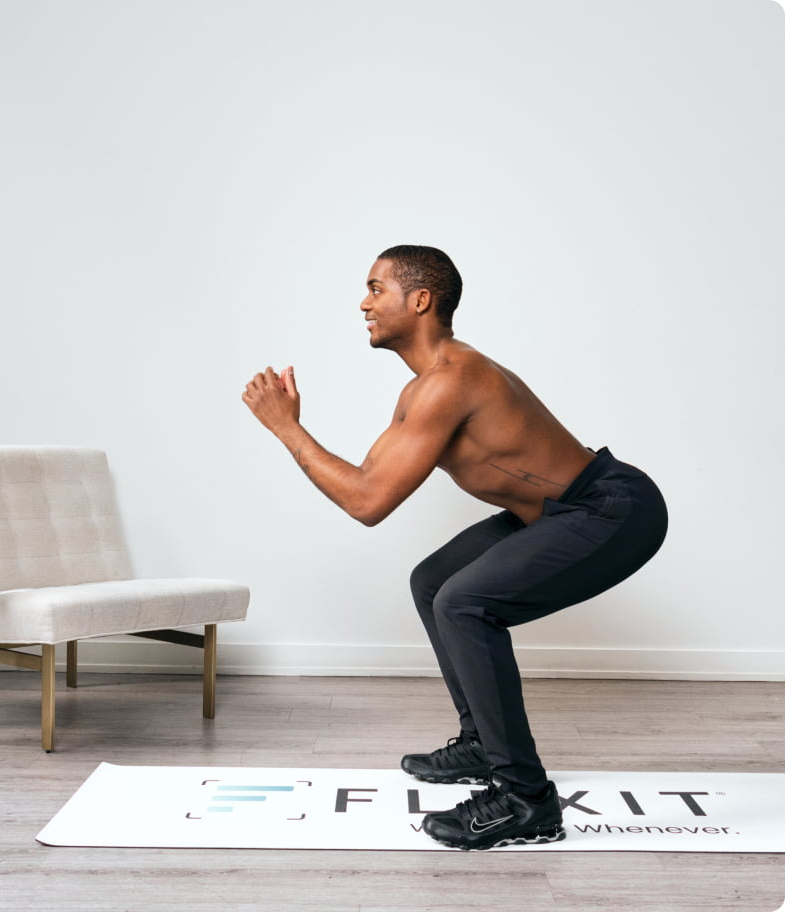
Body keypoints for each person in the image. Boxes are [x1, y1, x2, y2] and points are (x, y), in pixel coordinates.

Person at [242, 244, 667, 851]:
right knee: (434, 582)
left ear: (420, 300)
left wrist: (287, 428)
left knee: (464, 603)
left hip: (613, 510)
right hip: (557, 510)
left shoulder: (452, 381)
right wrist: (291, 428)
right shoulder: (423, 390)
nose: (364, 303)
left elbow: (367, 504)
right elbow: (366, 488)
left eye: (376, 289)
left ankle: (526, 798)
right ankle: (481, 744)